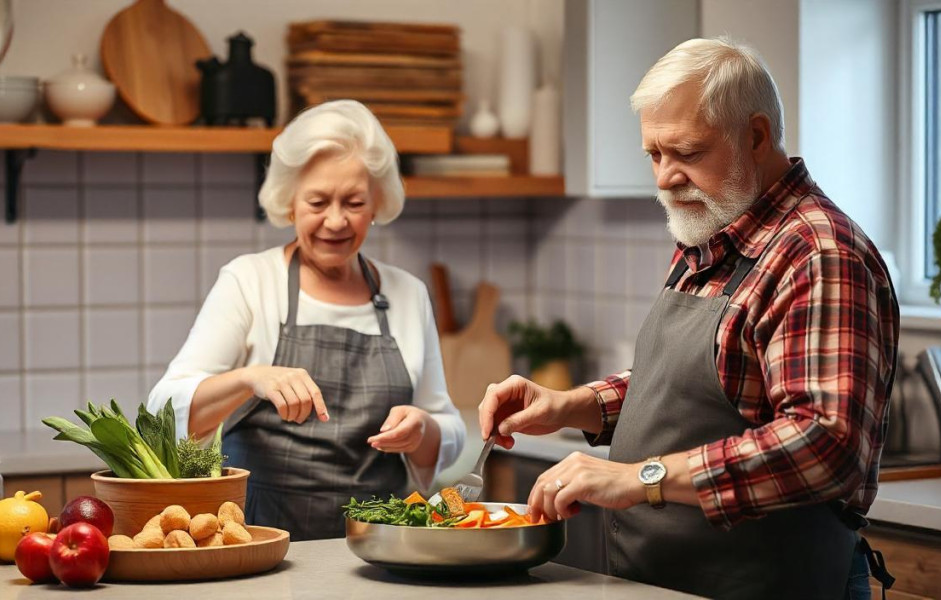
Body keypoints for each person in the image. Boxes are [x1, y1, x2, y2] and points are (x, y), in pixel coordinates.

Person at [479, 38, 899, 599]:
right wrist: (571, 405)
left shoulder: (819, 255)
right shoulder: (712, 233)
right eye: (654, 154)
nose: (663, 178)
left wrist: (639, 477)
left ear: (755, 135)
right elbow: (697, 388)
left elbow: (826, 445)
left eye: (686, 152)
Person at [149, 100, 465, 541]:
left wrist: (423, 429)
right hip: (260, 540)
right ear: (289, 203)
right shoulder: (250, 280)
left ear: (377, 203)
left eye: (354, 202)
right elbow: (161, 409)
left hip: (379, 545)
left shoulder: (408, 293)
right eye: (318, 201)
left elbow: (447, 426)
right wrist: (249, 378)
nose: (335, 221)